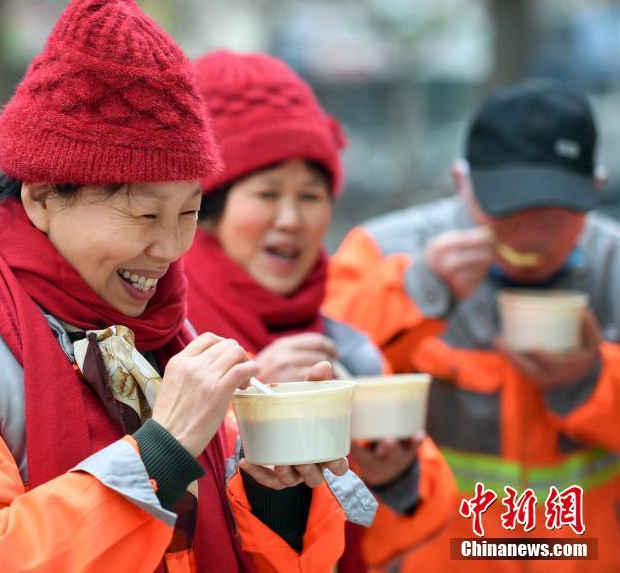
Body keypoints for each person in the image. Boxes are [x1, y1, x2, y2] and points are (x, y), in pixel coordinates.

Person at [0, 0, 359, 573]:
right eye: (145, 213)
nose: (169, 248)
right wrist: (160, 453)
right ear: (41, 196)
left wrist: (277, 493)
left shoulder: (164, 343)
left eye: (189, 212)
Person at [325, 80, 620, 571]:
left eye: (555, 210)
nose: (530, 231)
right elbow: (327, 374)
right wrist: (422, 292)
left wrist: (590, 380)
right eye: (508, 206)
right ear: (461, 181)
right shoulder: (383, 252)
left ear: (596, 188)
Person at [185, 50, 457, 571]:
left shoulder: (346, 347)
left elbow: (402, 537)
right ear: (209, 209)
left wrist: (394, 477)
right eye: (267, 193)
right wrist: (248, 409)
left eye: (310, 195)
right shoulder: (165, 337)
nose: (290, 219)